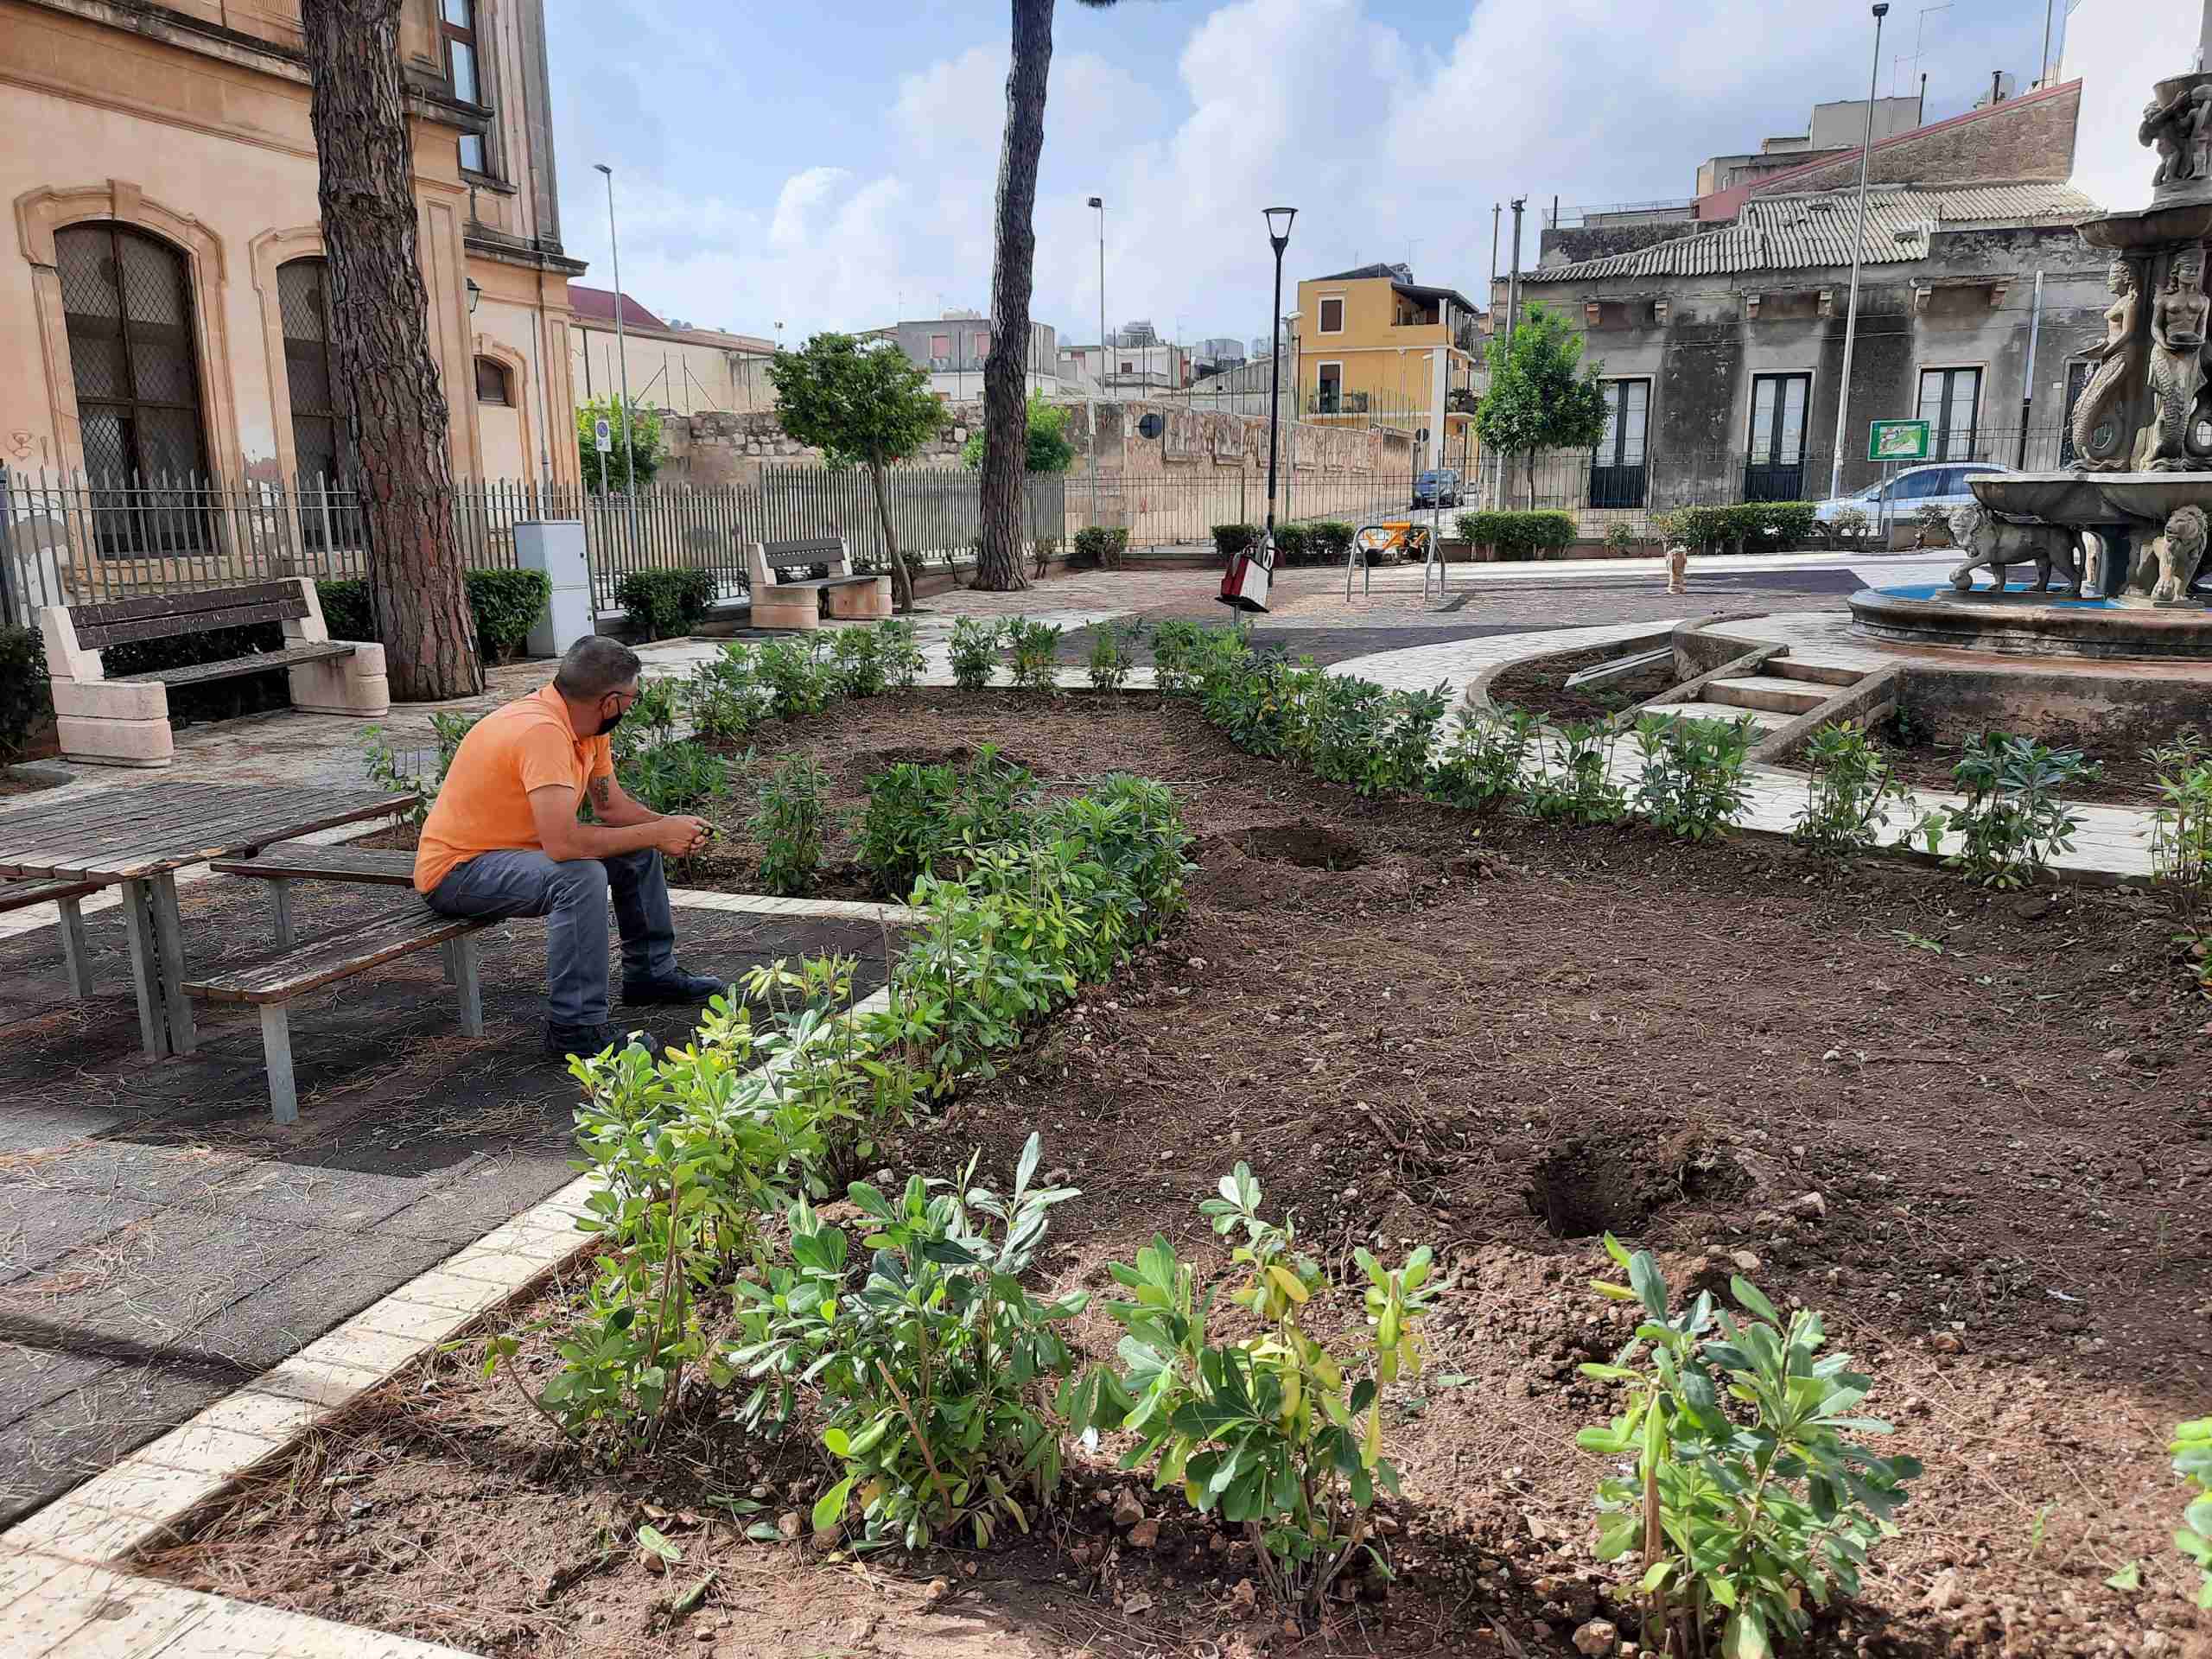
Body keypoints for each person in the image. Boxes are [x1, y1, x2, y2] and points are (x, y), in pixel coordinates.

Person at [414, 635, 724, 1057]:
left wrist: (668, 826)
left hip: (516, 856)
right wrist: (657, 833)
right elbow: (563, 845)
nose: (633, 705)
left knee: (634, 850)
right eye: (633, 697)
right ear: (610, 701)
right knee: (579, 875)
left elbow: (611, 806)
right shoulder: (543, 734)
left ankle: (651, 973)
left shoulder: (587, 727)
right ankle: (574, 1027)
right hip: (459, 871)